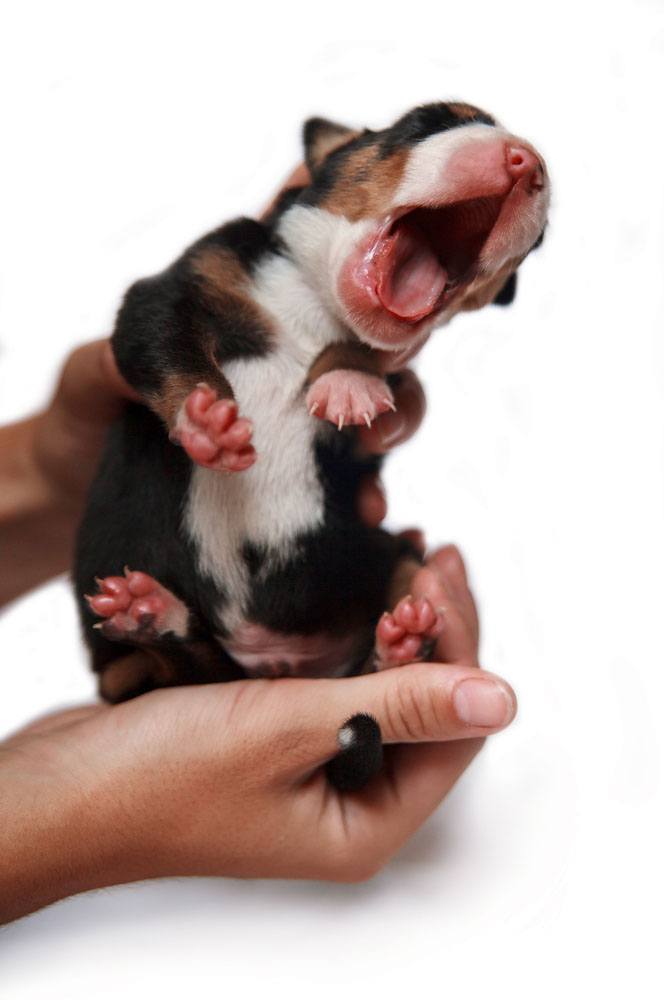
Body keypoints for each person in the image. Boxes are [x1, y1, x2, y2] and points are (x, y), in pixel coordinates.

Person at [0, 173, 517, 924]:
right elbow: (156, 317)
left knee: (388, 574)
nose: (519, 173)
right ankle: (179, 644)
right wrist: (59, 811)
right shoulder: (230, 263)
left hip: (312, 598)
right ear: (325, 167)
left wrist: (43, 481)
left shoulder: (366, 347)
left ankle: (357, 661)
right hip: (211, 597)